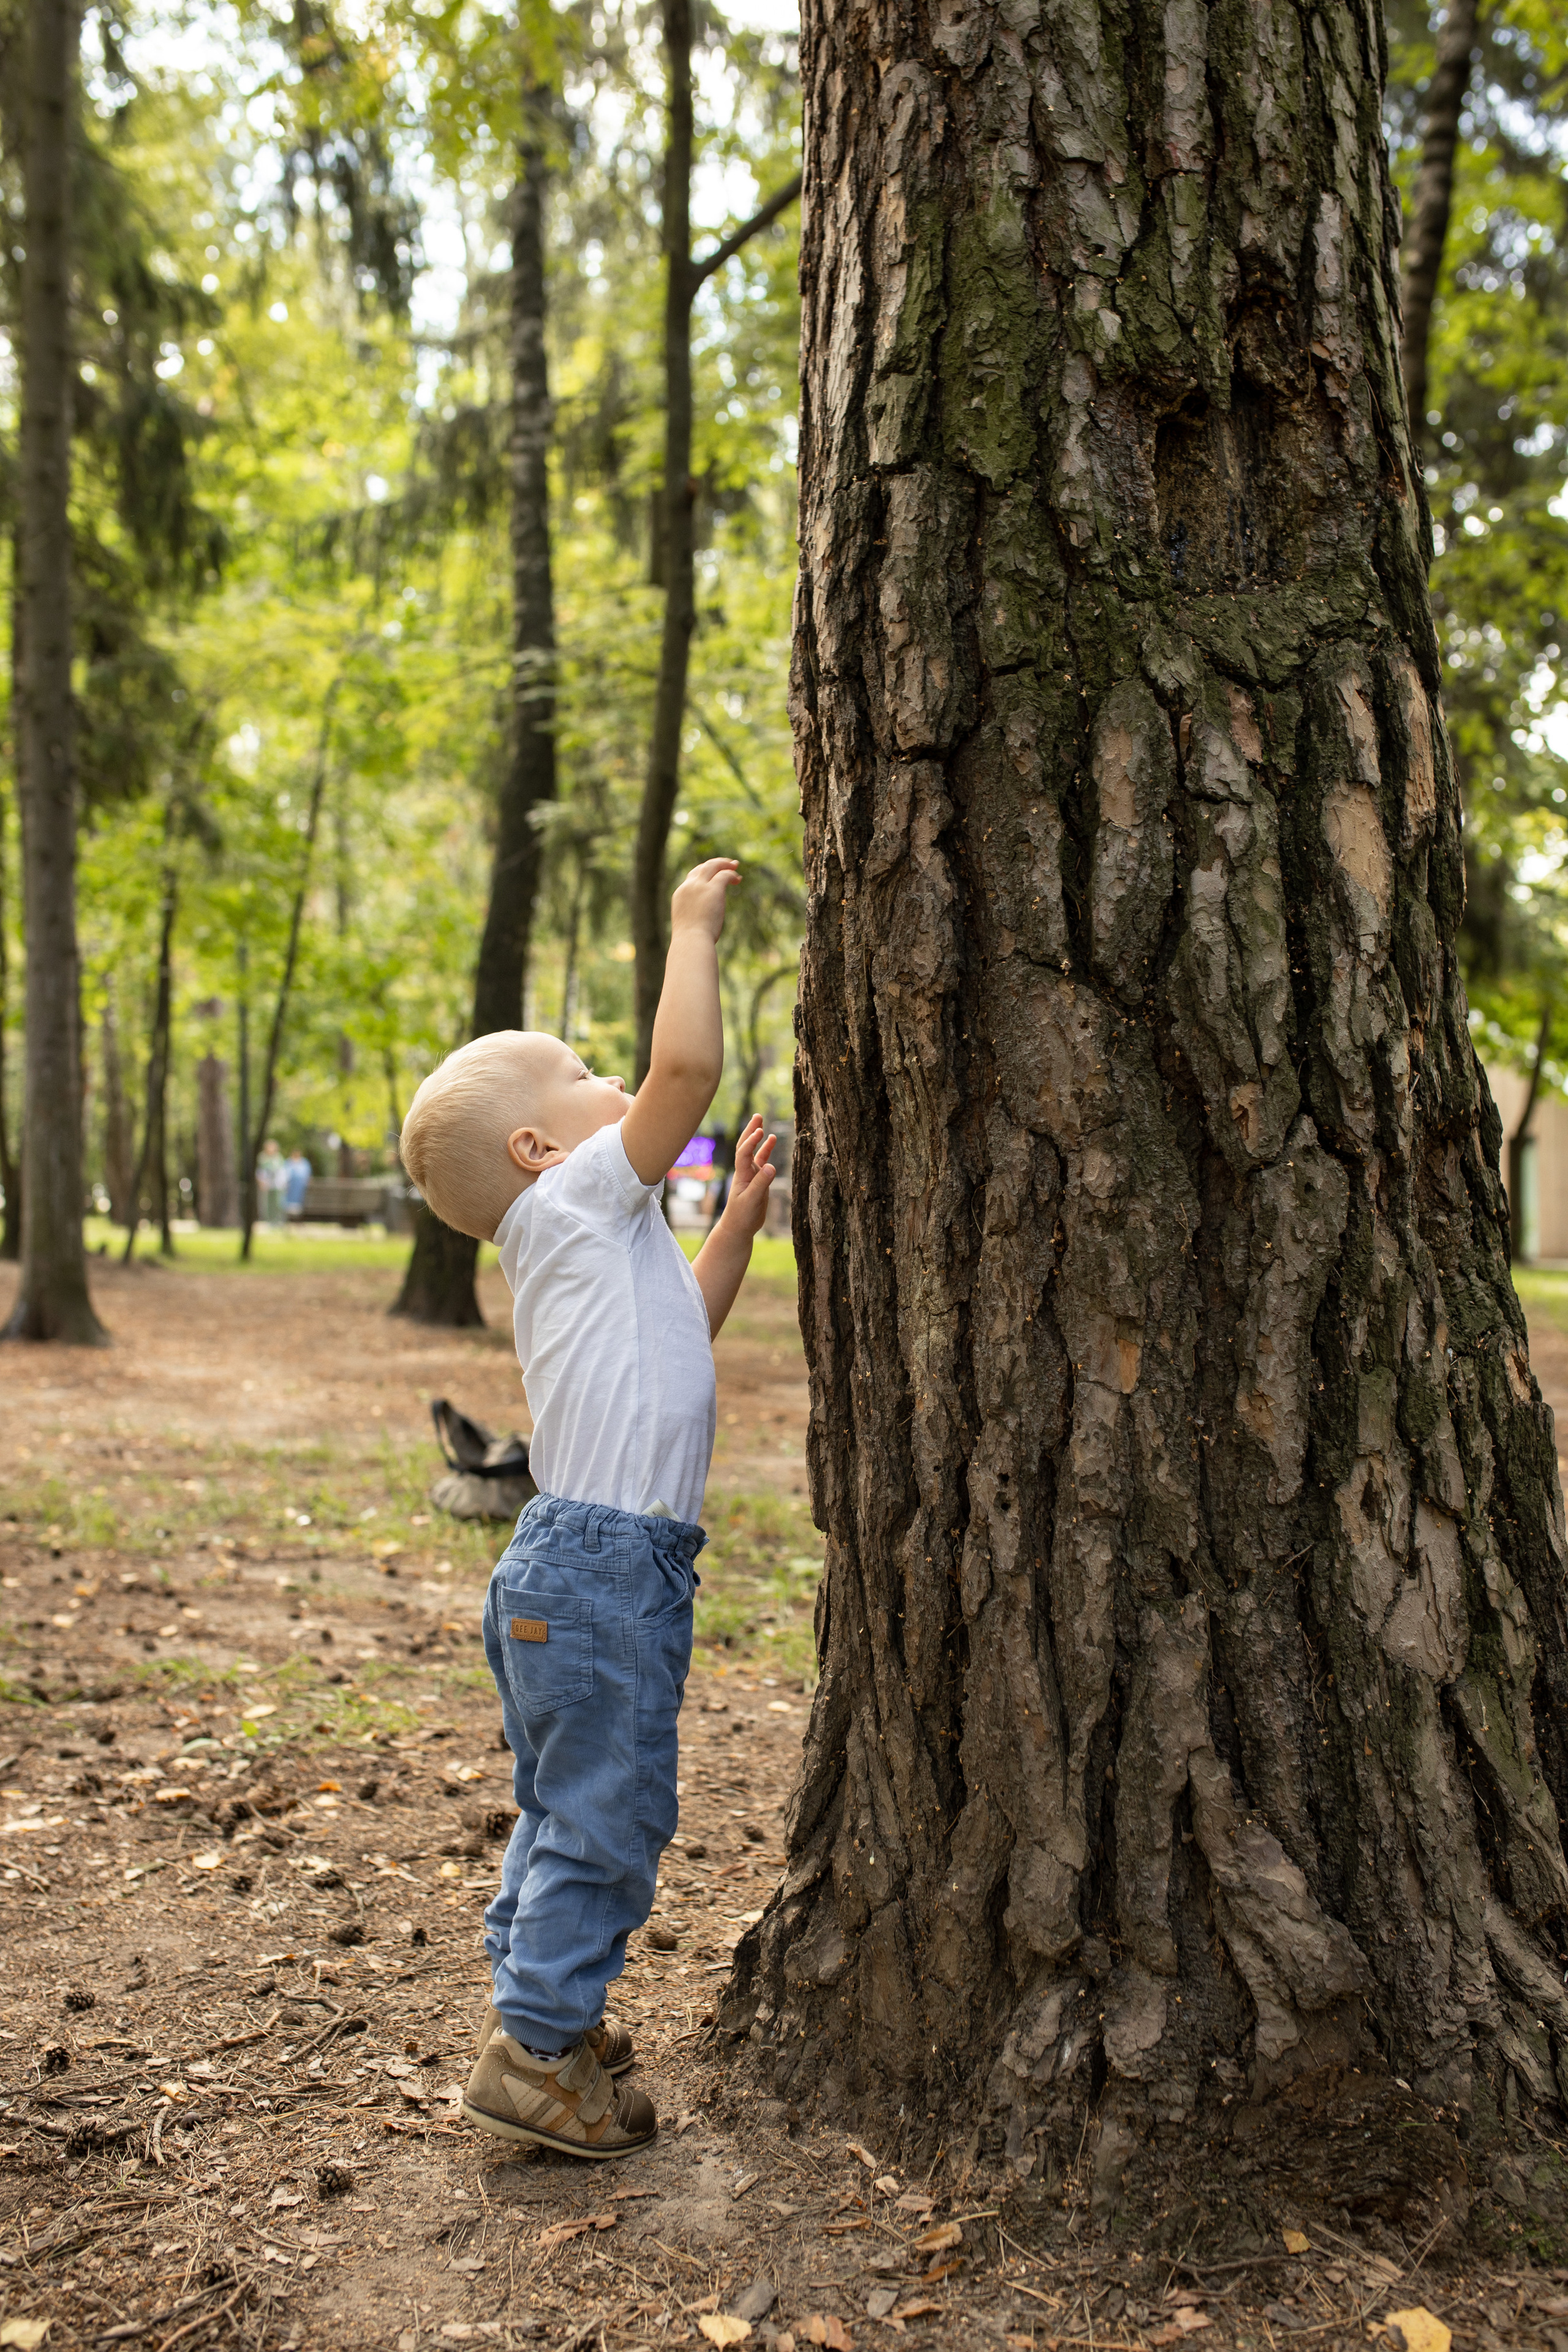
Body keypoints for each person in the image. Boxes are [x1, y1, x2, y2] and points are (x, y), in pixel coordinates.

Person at [398, 858, 775, 2161]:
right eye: (584, 1073)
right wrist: (690, 929)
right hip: (606, 1571)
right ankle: (538, 2049)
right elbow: (686, 1076)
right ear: (539, 1150)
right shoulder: (573, 1200)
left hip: (576, 1567)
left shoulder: (587, 1239)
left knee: (570, 1806)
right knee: (608, 1819)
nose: (618, 1078)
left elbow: (682, 1331)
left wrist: (732, 1227)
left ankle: (543, 2010)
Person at [255, 1139, 287, 1229]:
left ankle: (278, 1221)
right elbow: (259, 1171)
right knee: (267, 1203)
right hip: (267, 1184)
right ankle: (269, 1221)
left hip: (278, 1184)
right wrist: (261, 1182)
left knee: (278, 1202)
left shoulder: (279, 1158)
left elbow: (283, 1171)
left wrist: (283, 1182)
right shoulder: (262, 1158)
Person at [283, 1149, 313, 1218]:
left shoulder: (305, 1163)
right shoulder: (288, 1162)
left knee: (299, 1201)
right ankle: (290, 1214)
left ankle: (298, 1215)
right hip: (290, 1186)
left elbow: (308, 1175)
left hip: (301, 1187)